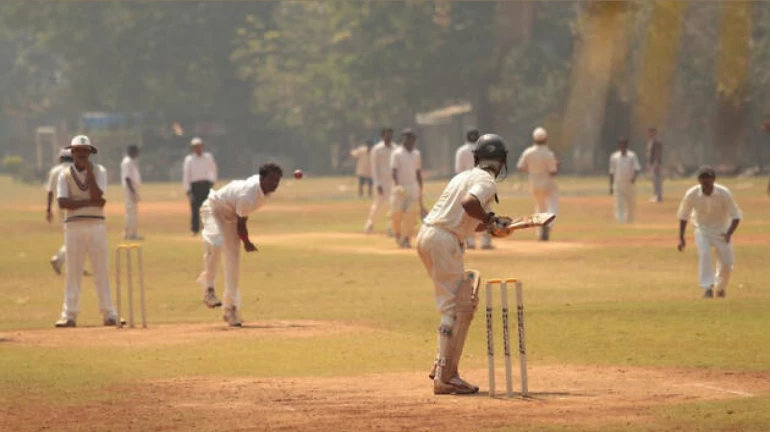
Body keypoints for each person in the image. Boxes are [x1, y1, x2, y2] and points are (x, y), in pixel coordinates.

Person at [417, 134, 511, 395]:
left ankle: (442, 369)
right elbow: (469, 204)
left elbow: (467, 218)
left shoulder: (462, 176)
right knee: (457, 308)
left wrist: (494, 225)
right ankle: (447, 376)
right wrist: (491, 220)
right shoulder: (485, 180)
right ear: (502, 161)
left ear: (476, 158)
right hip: (444, 240)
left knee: (457, 306)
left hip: (429, 235)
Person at [197, 163, 283, 327]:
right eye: (271, 179)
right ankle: (208, 289)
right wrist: (247, 242)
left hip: (232, 216)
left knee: (233, 261)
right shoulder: (247, 196)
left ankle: (231, 309)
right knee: (215, 243)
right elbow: (242, 225)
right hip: (213, 208)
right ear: (261, 178)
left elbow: (239, 219)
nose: (275, 184)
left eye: (277, 180)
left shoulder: (261, 191)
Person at [54, 135, 122, 327]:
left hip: (96, 225)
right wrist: (89, 203)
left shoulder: (100, 171)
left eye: (85, 151)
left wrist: (90, 175)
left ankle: (109, 313)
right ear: (72, 153)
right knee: (73, 271)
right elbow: (63, 202)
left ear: (90, 153)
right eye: (78, 151)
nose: (82, 154)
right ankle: (69, 315)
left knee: (101, 270)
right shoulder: (64, 174)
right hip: (73, 226)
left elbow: (98, 195)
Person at [677, 166, 742, 298]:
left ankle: (720, 287)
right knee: (705, 253)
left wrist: (729, 233)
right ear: (699, 180)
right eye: (703, 178)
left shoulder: (724, 193)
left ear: (714, 179)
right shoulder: (692, 194)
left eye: (708, 178)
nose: (706, 181)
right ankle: (707, 288)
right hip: (702, 229)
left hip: (722, 230)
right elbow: (684, 216)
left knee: (727, 262)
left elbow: (736, 216)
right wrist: (681, 237)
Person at [517, 127, 559, 241]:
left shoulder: (528, 152)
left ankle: (540, 229)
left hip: (534, 183)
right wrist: (557, 165)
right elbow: (553, 171)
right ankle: (548, 225)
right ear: (546, 139)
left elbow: (520, 166)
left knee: (539, 207)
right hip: (548, 183)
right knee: (553, 205)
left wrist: (531, 171)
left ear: (534, 139)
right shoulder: (549, 154)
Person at [455, 128, 493, 249]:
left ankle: (469, 241)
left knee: (468, 213)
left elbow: (458, 170)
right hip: (482, 183)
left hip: (467, 183)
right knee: (485, 211)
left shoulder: (461, 150)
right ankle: (486, 241)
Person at [390, 129, 423, 248]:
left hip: (413, 187)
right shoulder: (397, 153)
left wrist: (420, 188)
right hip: (400, 187)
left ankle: (406, 238)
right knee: (396, 214)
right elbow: (394, 171)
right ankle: (398, 234)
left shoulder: (416, 154)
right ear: (403, 139)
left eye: (411, 138)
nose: (408, 140)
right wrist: (397, 185)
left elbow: (418, 172)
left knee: (411, 215)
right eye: (406, 138)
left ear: (414, 140)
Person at [46, 149, 73, 275]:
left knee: (72, 235)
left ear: (61, 158)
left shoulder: (55, 170)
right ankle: (59, 258)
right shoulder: (76, 168)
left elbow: (50, 191)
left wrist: (48, 209)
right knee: (76, 237)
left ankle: (75, 265)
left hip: (60, 206)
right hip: (75, 206)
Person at [183, 137, 218, 235]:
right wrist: (187, 190)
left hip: (205, 184)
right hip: (194, 186)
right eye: (195, 147)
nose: (198, 148)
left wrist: (212, 181)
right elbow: (186, 175)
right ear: (193, 148)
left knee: (207, 207)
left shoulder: (208, 157)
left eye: (199, 146)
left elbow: (213, 169)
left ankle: (207, 228)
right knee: (194, 208)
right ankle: (195, 229)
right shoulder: (189, 160)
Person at [364, 128, 396, 234]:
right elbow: (374, 168)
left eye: (390, 135)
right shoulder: (377, 149)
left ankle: (391, 228)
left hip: (392, 181)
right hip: (381, 181)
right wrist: (377, 183)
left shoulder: (396, 148)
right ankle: (370, 224)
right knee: (378, 204)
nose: (389, 137)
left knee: (393, 205)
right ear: (382, 136)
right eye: (387, 135)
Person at [609, 137, 641, 223]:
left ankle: (630, 220)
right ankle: (621, 221)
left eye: (624, 145)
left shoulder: (632, 156)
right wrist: (611, 186)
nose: (622, 147)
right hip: (618, 183)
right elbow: (612, 171)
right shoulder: (615, 157)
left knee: (631, 203)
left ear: (626, 145)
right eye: (620, 145)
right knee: (619, 203)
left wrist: (634, 178)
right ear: (619, 146)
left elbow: (637, 168)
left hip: (629, 183)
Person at [120, 145, 143, 240]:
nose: (137, 154)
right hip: (129, 189)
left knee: (132, 212)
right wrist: (133, 191)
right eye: (136, 152)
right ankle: (130, 234)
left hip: (132, 188)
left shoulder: (130, 161)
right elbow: (127, 177)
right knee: (131, 212)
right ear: (132, 152)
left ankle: (129, 233)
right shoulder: (127, 162)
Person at [646, 127, 663, 203]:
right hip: (652, 163)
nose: (649, 134)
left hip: (656, 163)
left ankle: (658, 196)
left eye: (651, 132)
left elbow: (657, 153)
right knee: (653, 180)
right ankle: (655, 195)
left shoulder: (657, 142)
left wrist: (656, 162)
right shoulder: (651, 141)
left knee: (657, 180)